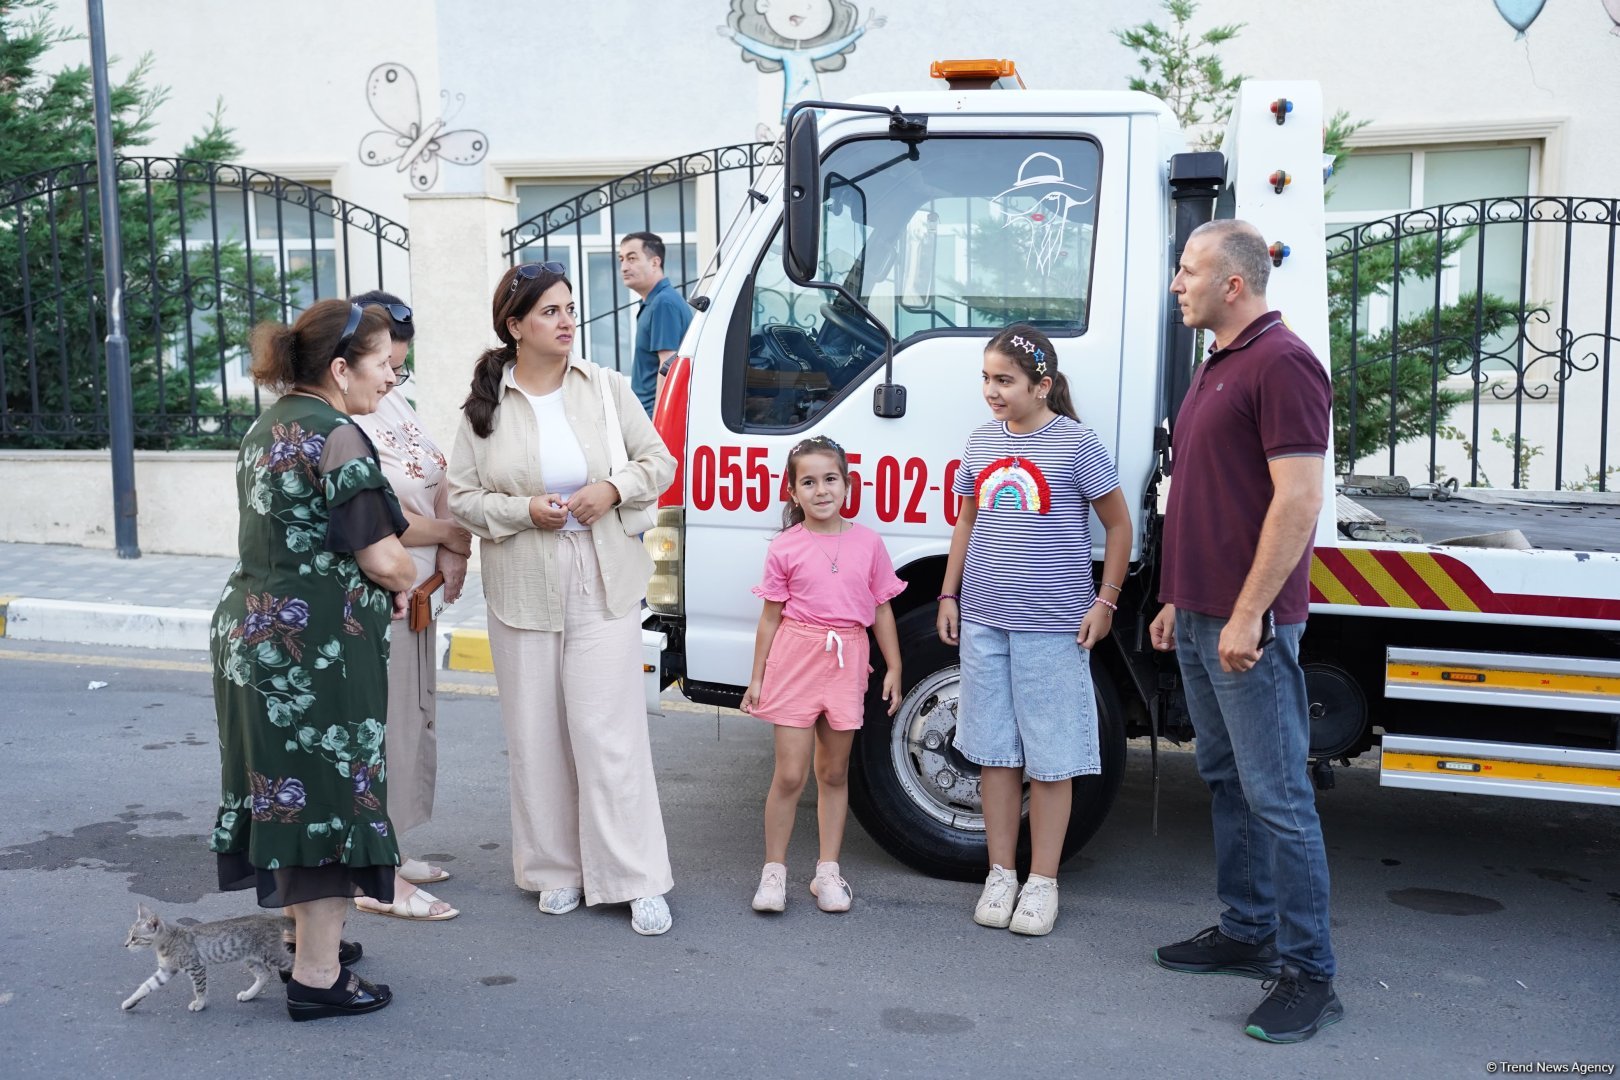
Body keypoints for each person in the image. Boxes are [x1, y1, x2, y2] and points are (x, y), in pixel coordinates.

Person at [1148, 219, 1342, 1044]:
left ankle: (1308, 972)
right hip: (1197, 613)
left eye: (1188, 271)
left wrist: (1250, 613)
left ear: (1234, 283)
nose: (1176, 284)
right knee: (1228, 782)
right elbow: (1200, 493)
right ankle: (1247, 927)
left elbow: (1297, 500)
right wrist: (1173, 599)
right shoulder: (1218, 363)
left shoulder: (1283, 362)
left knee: (1280, 798)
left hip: (1244, 624)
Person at [448, 261, 678, 936]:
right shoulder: (485, 408)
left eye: (569, 308)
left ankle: (634, 877)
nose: (567, 320)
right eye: (549, 311)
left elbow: (659, 461)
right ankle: (554, 870)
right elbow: (461, 498)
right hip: (522, 578)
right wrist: (523, 510)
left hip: (602, 572)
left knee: (610, 733)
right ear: (515, 326)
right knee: (535, 734)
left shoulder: (603, 388)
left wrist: (611, 489)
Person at [210, 298, 415, 1020]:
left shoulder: (265, 426)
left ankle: (307, 939)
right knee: (329, 795)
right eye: (385, 365)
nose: (393, 378)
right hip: (313, 653)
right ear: (339, 368)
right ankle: (319, 978)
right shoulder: (339, 435)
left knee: (283, 789)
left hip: (250, 639)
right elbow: (384, 554)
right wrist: (402, 580)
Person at [936, 323, 1132, 938]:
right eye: (987, 380)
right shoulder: (978, 443)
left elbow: (1120, 528)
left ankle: (1043, 880)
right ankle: (1001, 873)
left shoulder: (1077, 444)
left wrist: (1107, 601)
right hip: (985, 622)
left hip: (1054, 628)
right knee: (994, 752)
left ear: (1041, 385)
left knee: (1051, 759)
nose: (992, 392)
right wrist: (948, 593)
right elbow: (967, 518)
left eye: (1004, 381)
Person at [740, 435, 903, 914]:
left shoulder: (868, 542)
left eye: (830, 479)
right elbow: (770, 617)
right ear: (793, 492)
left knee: (832, 772)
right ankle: (774, 874)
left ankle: (827, 873)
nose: (820, 490)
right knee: (790, 774)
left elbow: (882, 609)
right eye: (807, 482)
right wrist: (757, 677)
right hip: (795, 657)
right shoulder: (785, 547)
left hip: (847, 659)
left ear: (847, 486)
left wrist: (893, 665)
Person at [349, 291, 471, 923]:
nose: (395, 370)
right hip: (378, 598)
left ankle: (388, 847)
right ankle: (371, 869)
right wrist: (450, 535)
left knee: (411, 719)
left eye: (399, 357)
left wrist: (454, 542)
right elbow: (382, 514)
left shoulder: (392, 396)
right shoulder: (344, 415)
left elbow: (437, 473)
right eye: (386, 356)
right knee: (383, 726)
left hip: (415, 595)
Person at [618, 231, 694, 416]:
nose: (624, 267)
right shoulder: (655, 302)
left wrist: (659, 424)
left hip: (654, 417)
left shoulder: (663, 303)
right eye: (621, 259)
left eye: (632, 258)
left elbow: (667, 367)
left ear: (655, 262)